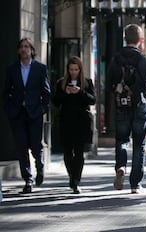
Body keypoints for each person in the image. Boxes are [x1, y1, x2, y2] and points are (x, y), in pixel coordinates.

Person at [107, 24, 146, 194]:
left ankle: (121, 166)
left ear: (125, 39)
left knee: (122, 140)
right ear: (141, 40)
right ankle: (135, 183)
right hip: (140, 105)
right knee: (139, 144)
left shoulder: (116, 59)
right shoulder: (145, 60)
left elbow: (108, 85)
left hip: (122, 104)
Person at [3, 38, 51, 194]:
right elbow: (6, 91)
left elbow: (46, 92)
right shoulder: (12, 69)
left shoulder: (40, 68)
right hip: (17, 114)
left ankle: (40, 166)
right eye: (21, 47)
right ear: (18, 51)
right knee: (21, 147)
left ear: (31, 50)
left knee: (36, 145)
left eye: (27, 47)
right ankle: (28, 180)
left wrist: (42, 109)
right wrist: (9, 109)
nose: (24, 49)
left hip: (35, 113)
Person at [52, 56, 96, 194]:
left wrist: (80, 92)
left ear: (80, 70)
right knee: (67, 153)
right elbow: (55, 101)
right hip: (66, 121)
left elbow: (92, 100)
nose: (73, 72)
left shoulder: (87, 82)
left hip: (81, 121)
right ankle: (72, 175)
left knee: (79, 153)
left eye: (76, 69)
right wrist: (65, 92)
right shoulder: (61, 83)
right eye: (71, 69)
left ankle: (76, 180)